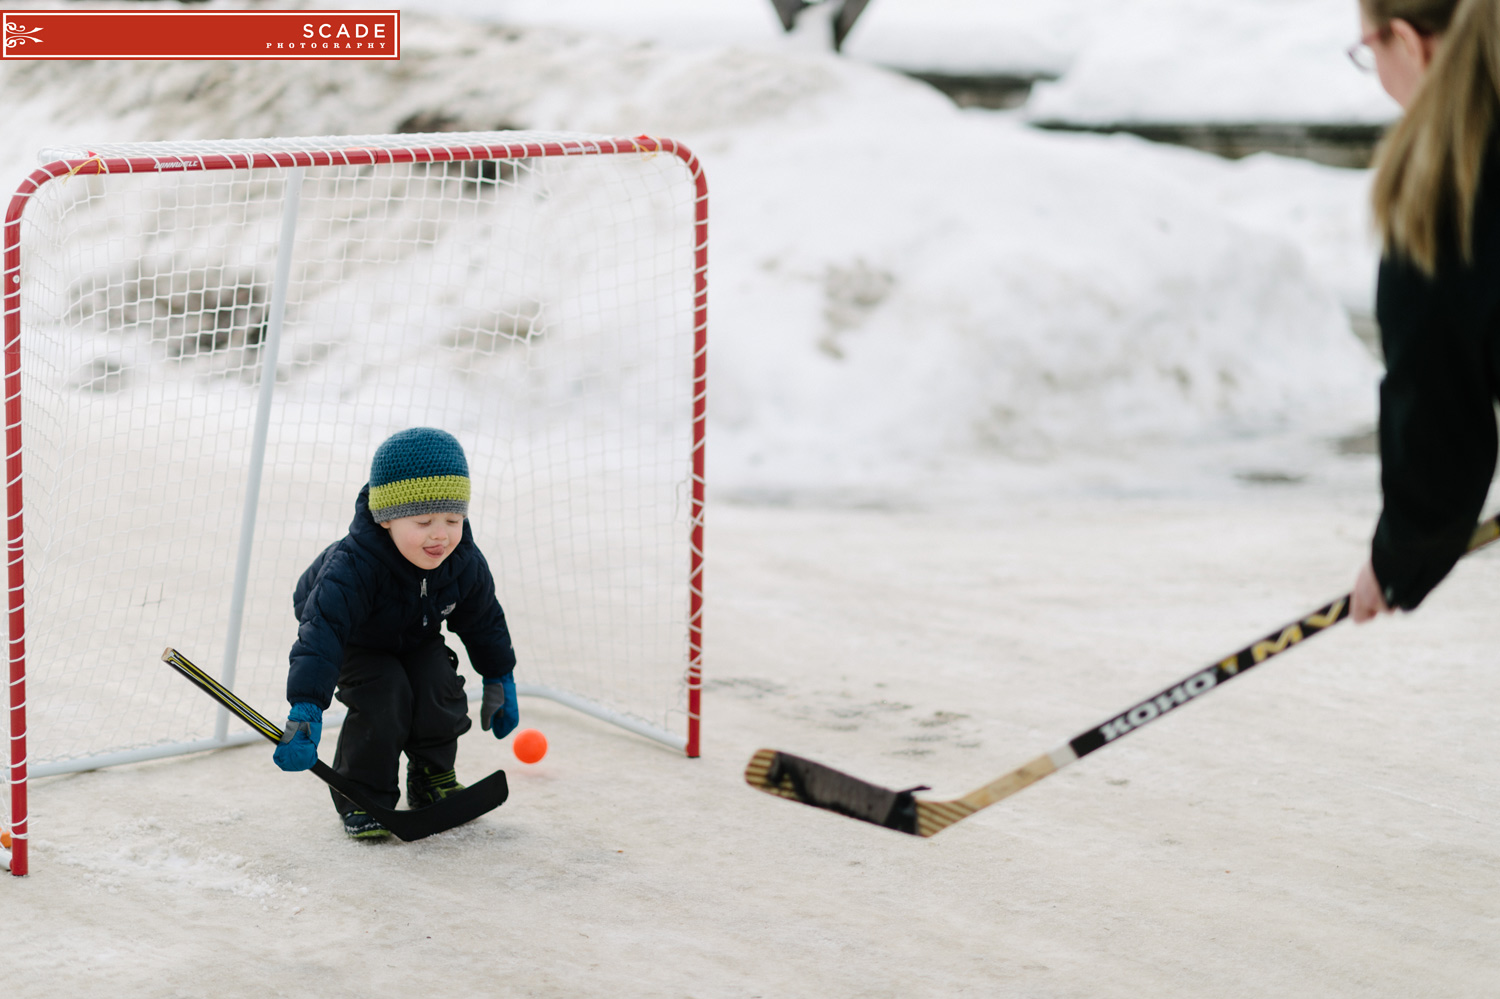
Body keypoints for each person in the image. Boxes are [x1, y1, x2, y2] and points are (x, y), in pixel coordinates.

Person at [272, 427, 521, 839]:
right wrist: (305, 708)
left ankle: (431, 778)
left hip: (414, 635)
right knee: (384, 695)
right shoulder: (352, 566)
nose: (440, 534)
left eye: (453, 519)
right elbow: (322, 636)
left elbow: (484, 619)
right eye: (423, 521)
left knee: (437, 685)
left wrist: (499, 678)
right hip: (356, 641)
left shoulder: (463, 561)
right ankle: (363, 796)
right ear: (386, 517)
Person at [1349, 0, 1500, 623]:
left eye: (1368, 52)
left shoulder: (1447, 193)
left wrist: (1400, 555)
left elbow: (1440, 411)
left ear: (1408, 42)